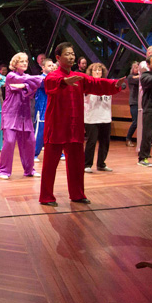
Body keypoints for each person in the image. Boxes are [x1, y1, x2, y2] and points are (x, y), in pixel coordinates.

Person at [39, 43, 124, 206]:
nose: (71, 57)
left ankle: (77, 194)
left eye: (73, 54)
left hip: (74, 127)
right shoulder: (53, 76)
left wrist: (114, 84)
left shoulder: (79, 77)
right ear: (58, 58)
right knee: (50, 165)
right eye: (67, 54)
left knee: (77, 164)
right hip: (56, 127)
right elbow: (51, 84)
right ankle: (46, 196)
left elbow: (96, 84)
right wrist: (64, 81)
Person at [0, 53, 43, 179]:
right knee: (10, 141)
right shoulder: (11, 75)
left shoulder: (26, 77)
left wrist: (24, 85)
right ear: (15, 64)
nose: (24, 63)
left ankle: (29, 170)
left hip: (24, 115)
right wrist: (28, 85)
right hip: (11, 113)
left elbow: (36, 83)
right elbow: (37, 80)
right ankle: (3, 171)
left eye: (26, 61)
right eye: (21, 61)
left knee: (30, 141)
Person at [83, 63, 114, 173]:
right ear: (91, 73)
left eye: (99, 71)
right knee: (91, 142)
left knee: (105, 142)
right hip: (91, 118)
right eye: (95, 71)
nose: (97, 72)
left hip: (105, 117)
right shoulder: (87, 85)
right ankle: (87, 164)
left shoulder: (107, 84)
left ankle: (101, 164)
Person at [34, 58, 56, 162]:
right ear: (43, 68)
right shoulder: (40, 78)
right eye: (49, 66)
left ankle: (58, 153)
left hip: (54, 109)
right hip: (42, 108)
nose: (51, 67)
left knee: (55, 132)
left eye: (52, 66)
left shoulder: (55, 78)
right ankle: (33, 154)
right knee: (40, 132)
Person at [125, 61, 140, 147]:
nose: (137, 69)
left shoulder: (140, 77)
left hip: (141, 103)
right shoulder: (131, 77)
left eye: (138, 67)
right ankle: (128, 138)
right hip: (134, 102)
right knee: (135, 122)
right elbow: (138, 79)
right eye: (136, 67)